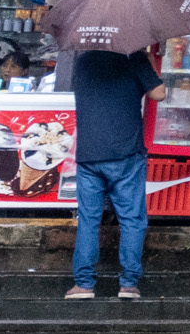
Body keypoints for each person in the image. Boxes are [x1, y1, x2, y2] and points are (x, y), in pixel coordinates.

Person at [64, 48, 164, 301]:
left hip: (89, 154)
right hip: (126, 155)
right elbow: (158, 93)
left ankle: (84, 285)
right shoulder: (134, 57)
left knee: (88, 220)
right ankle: (129, 284)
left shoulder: (83, 60)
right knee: (131, 220)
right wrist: (149, 65)